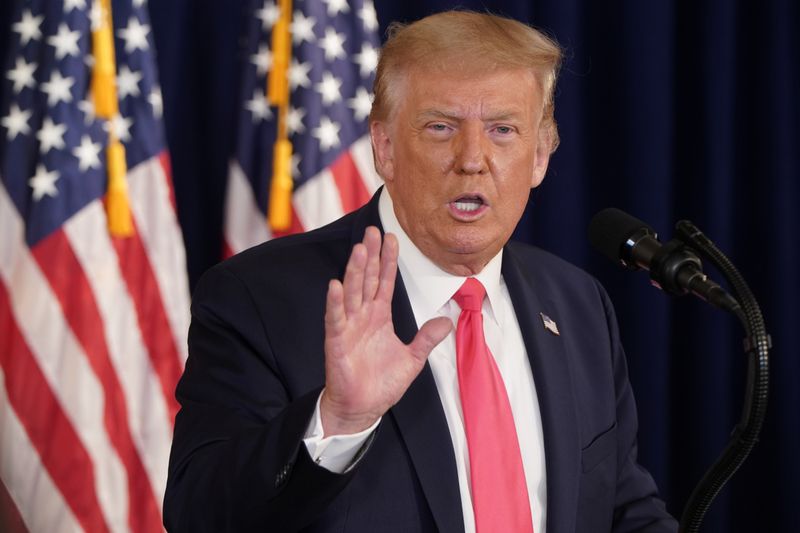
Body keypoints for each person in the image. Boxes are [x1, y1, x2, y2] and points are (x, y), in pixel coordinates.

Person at [164, 10, 678, 533]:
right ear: (384, 148)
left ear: (541, 155)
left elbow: (622, 510)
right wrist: (337, 422)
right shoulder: (260, 299)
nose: (472, 159)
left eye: (502, 129)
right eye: (441, 127)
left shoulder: (577, 304)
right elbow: (198, 516)